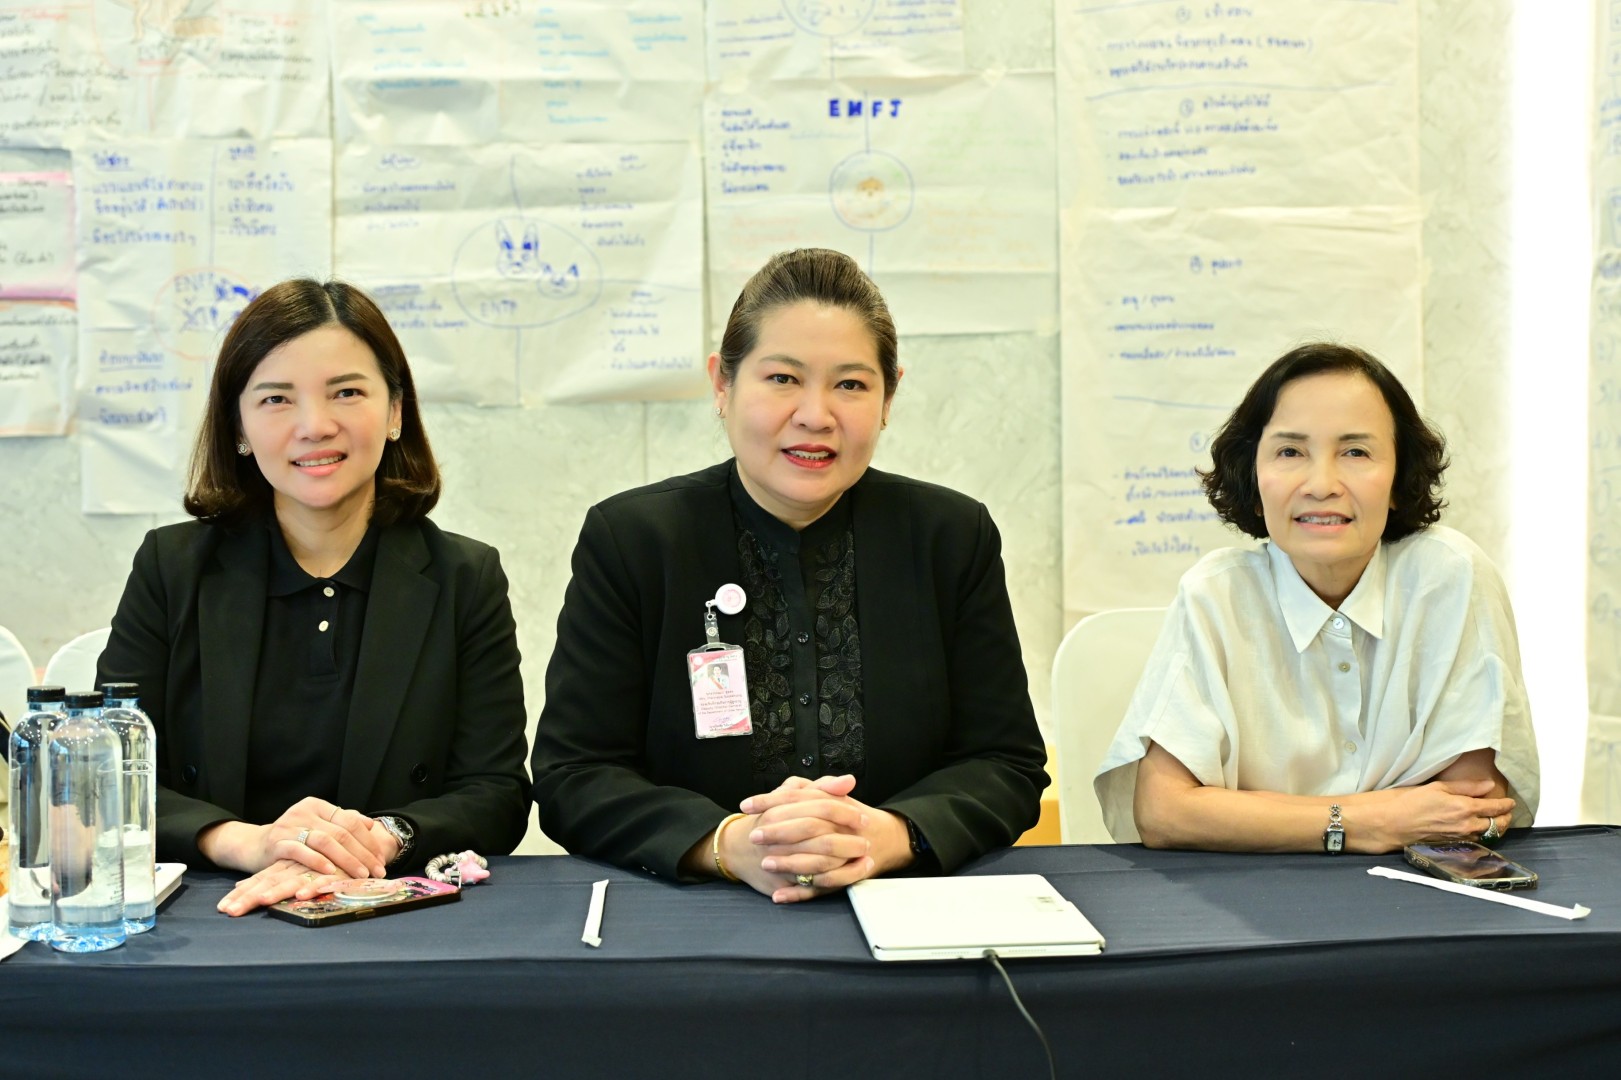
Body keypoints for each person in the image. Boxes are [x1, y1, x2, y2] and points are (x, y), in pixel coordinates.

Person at [532, 248, 1048, 902]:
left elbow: (1005, 762)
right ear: (722, 385)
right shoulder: (635, 540)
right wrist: (729, 845)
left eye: (851, 385)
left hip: (906, 905)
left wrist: (883, 837)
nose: (815, 415)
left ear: (889, 397)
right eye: (782, 378)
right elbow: (575, 773)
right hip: (696, 910)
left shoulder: (948, 536)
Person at [96, 279, 530, 914]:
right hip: (212, 910)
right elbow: (108, 775)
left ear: (395, 412)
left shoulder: (465, 575)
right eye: (276, 398)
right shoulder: (172, 567)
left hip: (392, 907)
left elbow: (497, 792)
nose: (315, 426)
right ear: (238, 426)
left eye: (346, 392)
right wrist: (248, 843)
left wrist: (382, 838)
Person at [1094, 343, 1539, 853]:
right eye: (1290, 452)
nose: (1322, 484)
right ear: (1253, 477)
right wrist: (1367, 821)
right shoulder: (1214, 594)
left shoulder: (1450, 577)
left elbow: (1469, 810)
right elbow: (1163, 812)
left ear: (1398, 478)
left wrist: (1253, 818)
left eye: (1355, 452)